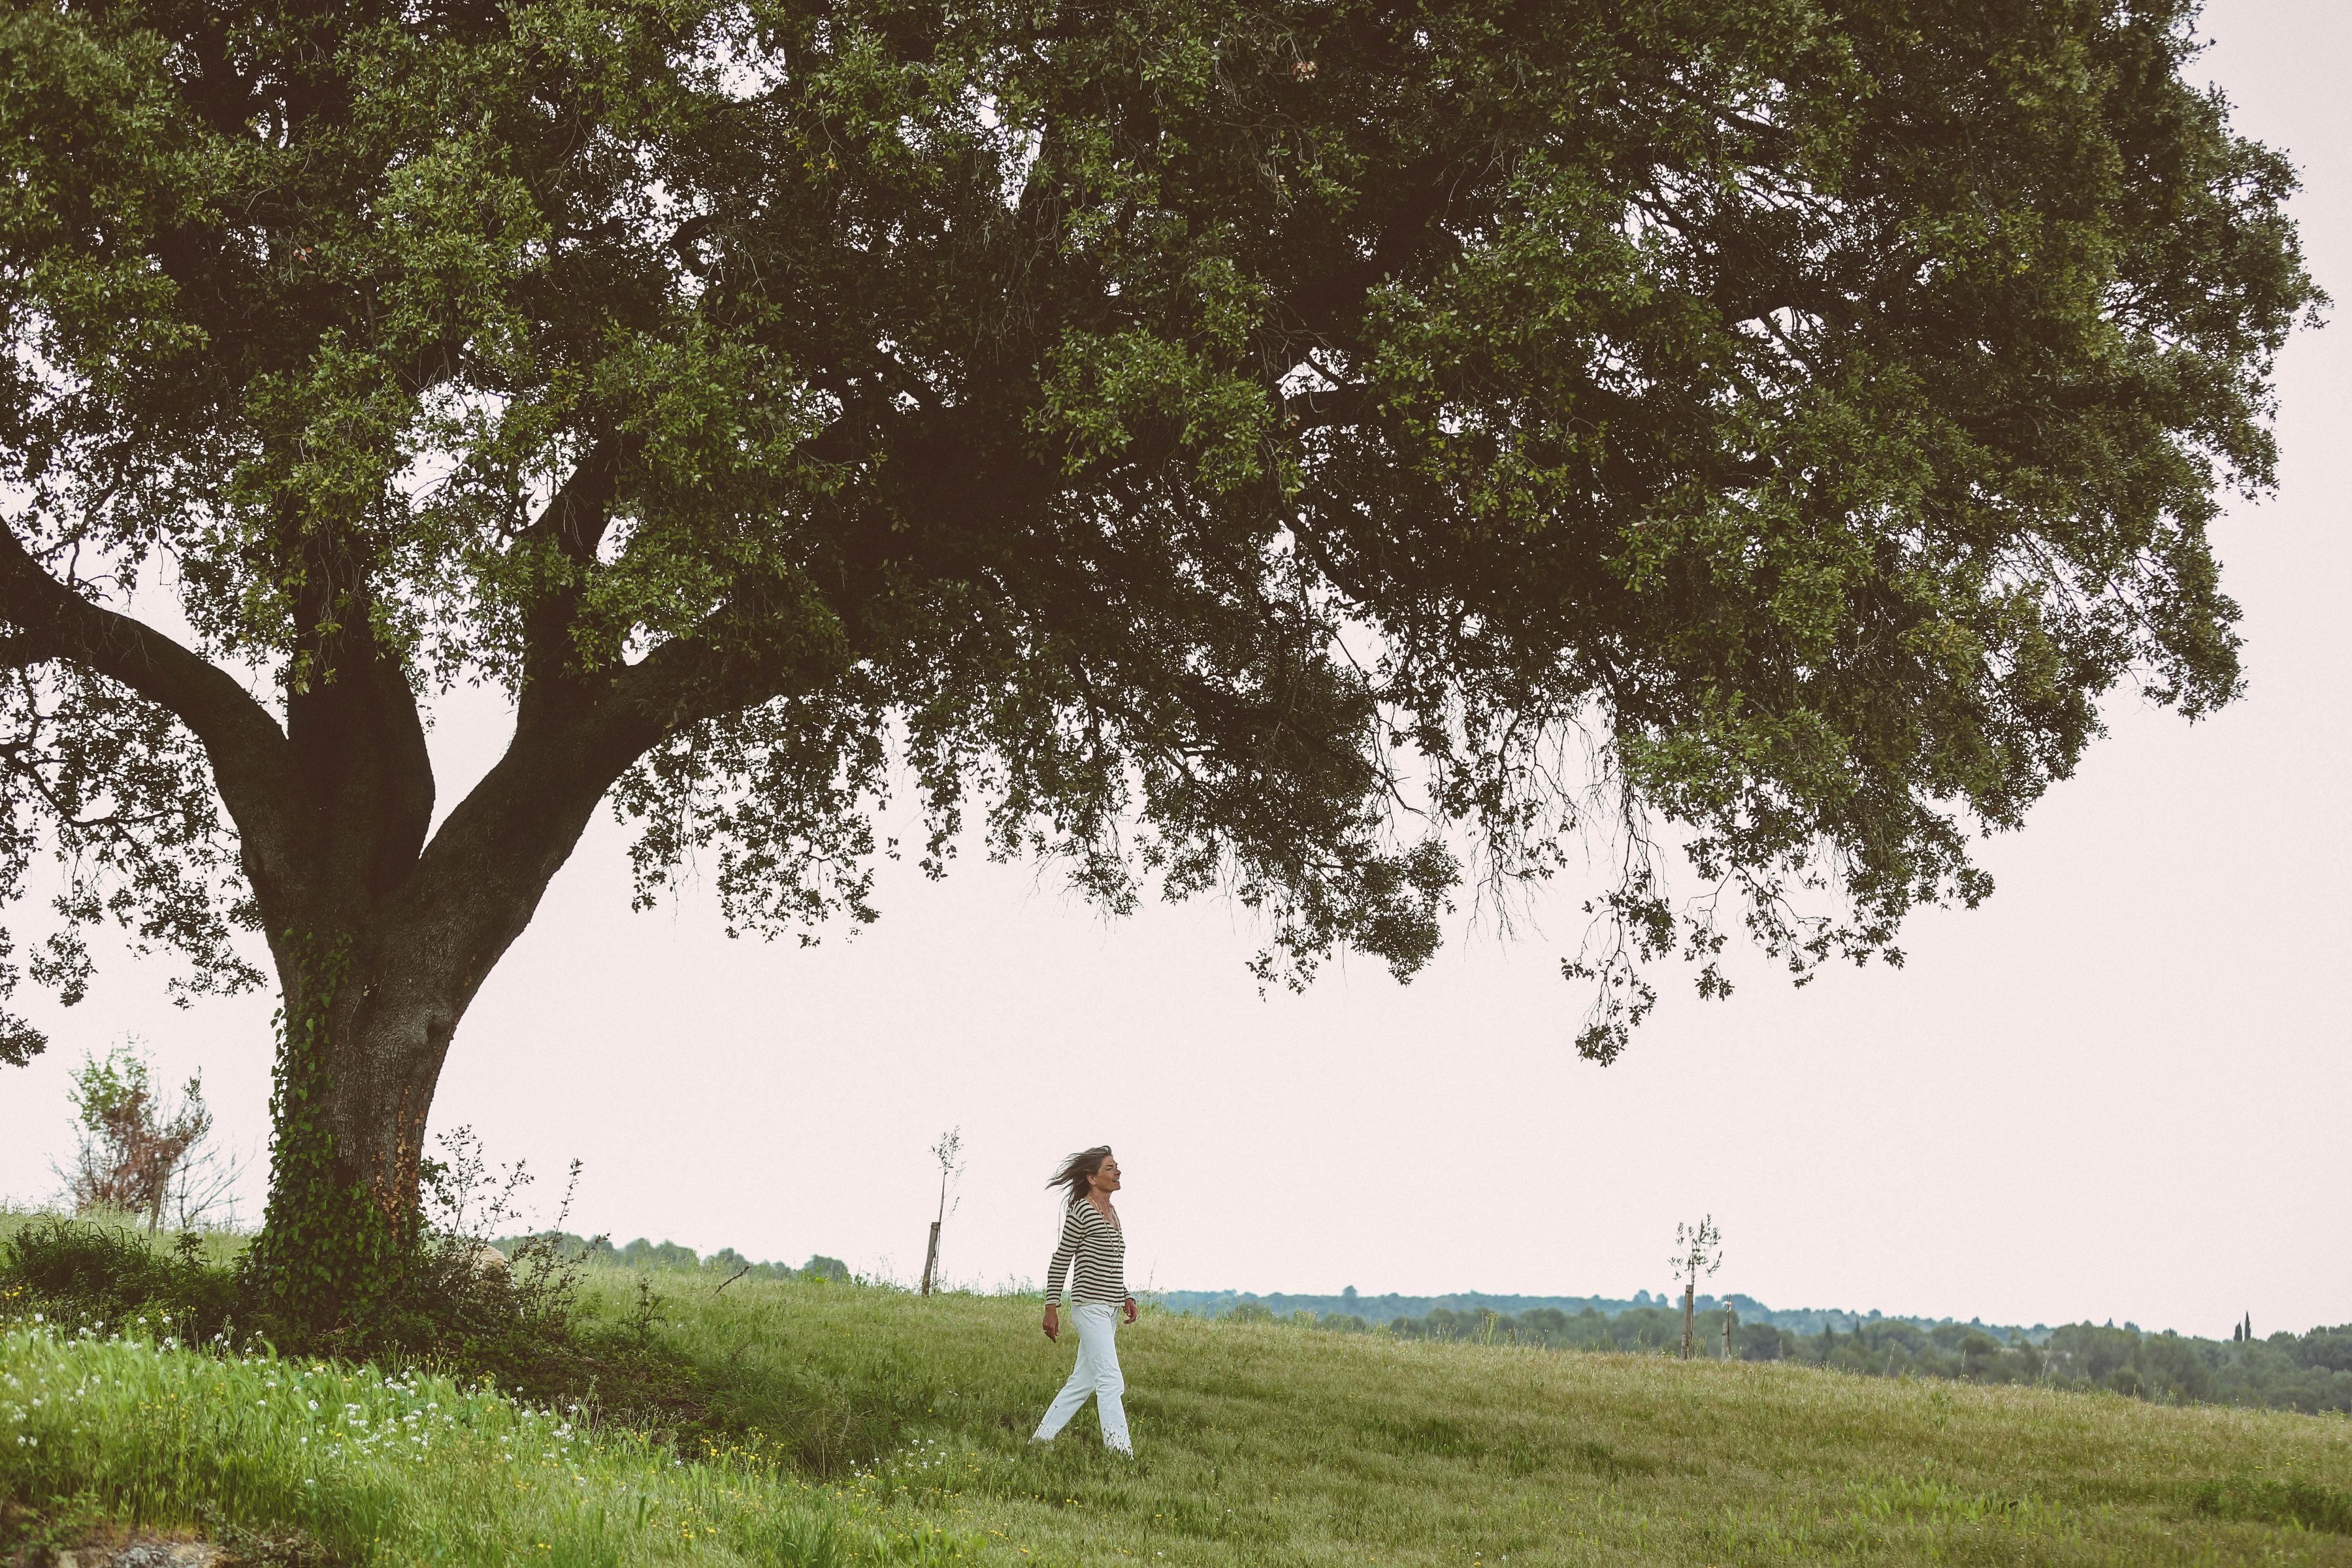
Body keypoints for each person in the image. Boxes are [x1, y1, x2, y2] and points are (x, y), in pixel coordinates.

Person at [1032, 1145, 1137, 1456]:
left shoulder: (1112, 1213)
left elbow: (1110, 1264)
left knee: (1082, 1382)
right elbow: (1061, 1259)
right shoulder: (1082, 1210)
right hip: (1089, 1307)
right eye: (1109, 1168)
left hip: (1109, 1309)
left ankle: (1039, 1441)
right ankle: (1120, 1454)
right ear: (1091, 1177)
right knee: (1111, 1380)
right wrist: (1052, 1307)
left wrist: (1125, 1295)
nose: (1117, 1172)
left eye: (1117, 1167)